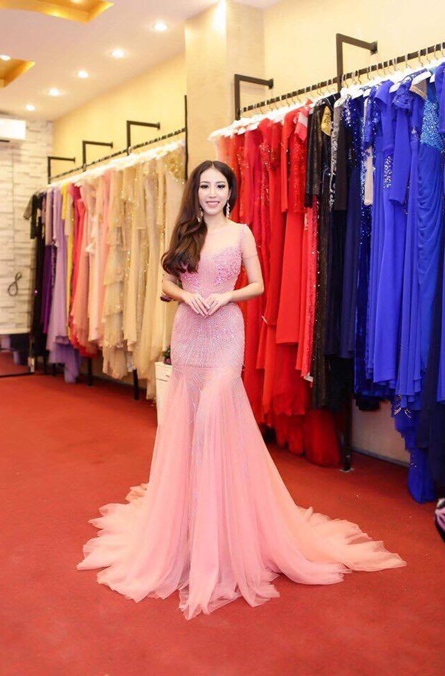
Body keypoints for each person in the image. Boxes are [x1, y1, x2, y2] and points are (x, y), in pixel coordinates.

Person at [77, 160, 406, 620]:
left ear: (231, 191)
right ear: (196, 192)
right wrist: (186, 295)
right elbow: (166, 281)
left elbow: (258, 285)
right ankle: (191, 528)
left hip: (226, 332)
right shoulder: (185, 231)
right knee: (188, 425)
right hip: (189, 333)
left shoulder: (241, 233)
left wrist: (225, 296)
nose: (212, 193)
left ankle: (227, 531)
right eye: (205, 186)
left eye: (220, 186)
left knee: (215, 417)